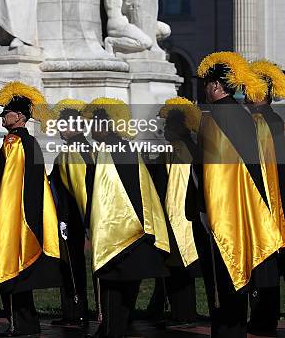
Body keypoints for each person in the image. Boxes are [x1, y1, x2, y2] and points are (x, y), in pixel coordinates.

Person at [192, 51, 284, 337]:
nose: (204, 89)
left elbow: (209, 172)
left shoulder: (215, 119)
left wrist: (204, 209)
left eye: (206, 83)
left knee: (225, 278)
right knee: (243, 279)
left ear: (217, 86)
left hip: (225, 212)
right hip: (250, 208)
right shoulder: (246, 118)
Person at [84, 97, 169, 338]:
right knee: (126, 293)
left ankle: (111, 331)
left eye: (95, 124)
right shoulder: (127, 148)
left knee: (113, 292)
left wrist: (91, 223)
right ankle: (114, 328)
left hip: (119, 234)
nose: (92, 130)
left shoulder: (107, 153)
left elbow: (103, 195)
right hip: (138, 233)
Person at [0, 81, 60, 337]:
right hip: (30, 214)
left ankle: (18, 325)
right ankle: (26, 324)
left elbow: (6, 183)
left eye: (6, 112)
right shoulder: (30, 142)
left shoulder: (12, 142)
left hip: (15, 215)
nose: (2, 116)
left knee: (12, 267)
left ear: (19, 116)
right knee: (23, 273)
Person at [150, 97, 201, 326]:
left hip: (177, 215)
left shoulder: (176, 150)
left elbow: (167, 186)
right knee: (183, 269)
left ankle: (183, 314)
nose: (165, 131)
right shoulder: (193, 148)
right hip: (191, 215)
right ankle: (184, 312)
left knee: (178, 268)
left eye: (168, 126)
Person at [246, 60, 285, 336]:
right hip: (278, 197)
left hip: (267, 200)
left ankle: (263, 320)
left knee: (264, 263)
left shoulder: (259, 122)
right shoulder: (275, 119)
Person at [49, 99, 92, 328]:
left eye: (64, 125)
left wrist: (65, 218)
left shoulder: (75, 150)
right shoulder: (80, 149)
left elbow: (75, 189)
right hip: (75, 217)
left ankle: (76, 311)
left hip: (72, 217)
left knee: (72, 266)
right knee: (72, 265)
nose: (60, 130)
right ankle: (75, 310)